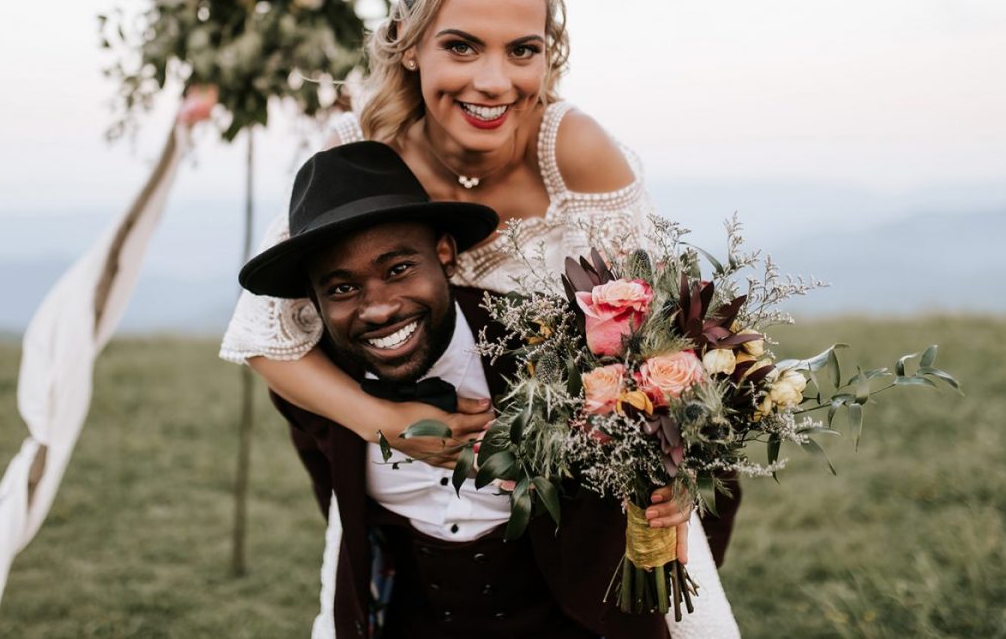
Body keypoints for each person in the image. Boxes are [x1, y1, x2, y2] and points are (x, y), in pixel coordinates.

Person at [221, 0, 741, 637]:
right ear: (408, 43)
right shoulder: (358, 151)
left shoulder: (575, 155)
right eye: (461, 45)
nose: (494, 81)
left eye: (522, 50)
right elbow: (261, 335)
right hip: (413, 539)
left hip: (578, 537)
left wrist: (679, 459)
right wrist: (387, 423)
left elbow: (665, 341)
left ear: (547, 55)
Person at [241, 140, 694, 637]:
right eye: (343, 288)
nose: (378, 308)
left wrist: (677, 487)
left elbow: (682, 441)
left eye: (398, 269)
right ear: (315, 300)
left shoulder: (552, 346)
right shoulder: (312, 389)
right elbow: (342, 511)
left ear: (444, 251)